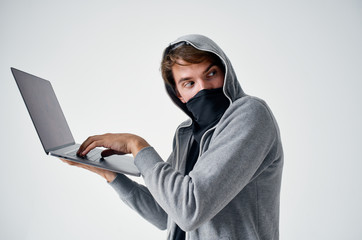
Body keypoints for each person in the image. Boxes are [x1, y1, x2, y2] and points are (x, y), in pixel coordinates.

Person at [61, 34, 284, 240]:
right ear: (179, 95)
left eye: (211, 74)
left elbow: (190, 210)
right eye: (190, 83)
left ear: (226, 72)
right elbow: (165, 213)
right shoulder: (187, 134)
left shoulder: (250, 115)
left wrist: (136, 145)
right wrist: (109, 174)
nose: (204, 88)